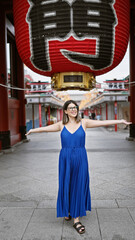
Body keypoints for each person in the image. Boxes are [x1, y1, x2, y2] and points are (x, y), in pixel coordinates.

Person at [26, 100, 132, 235]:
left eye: (75, 107)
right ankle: (67, 210)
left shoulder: (84, 122)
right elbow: (44, 129)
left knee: (78, 184)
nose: (73, 110)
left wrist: (120, 121)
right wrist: (32, 130)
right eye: (70, 108)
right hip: (65, 157)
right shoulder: (61, 125)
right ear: (65, 111)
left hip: (81, 157)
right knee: (66, 183)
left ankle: (76, 219)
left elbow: (103, 123)